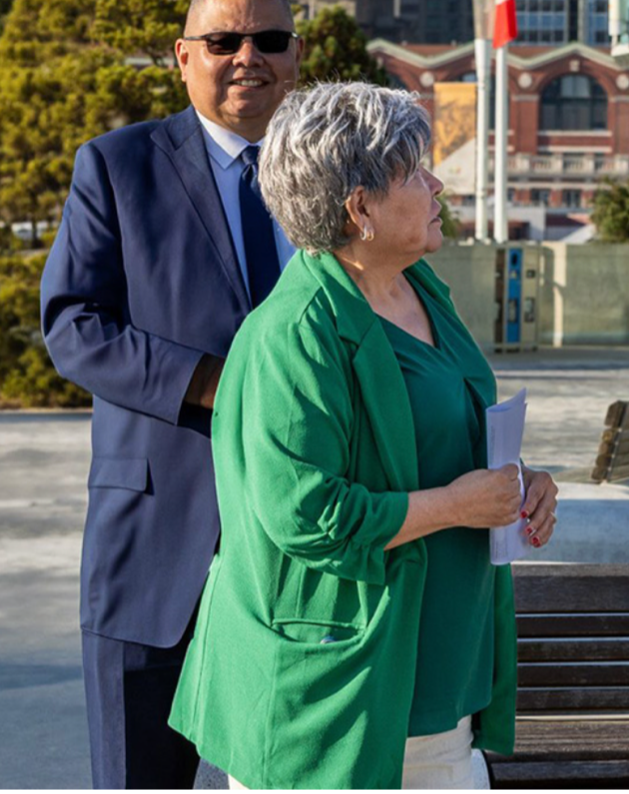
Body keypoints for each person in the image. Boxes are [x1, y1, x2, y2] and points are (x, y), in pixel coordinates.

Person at [167, 81, 559, 790]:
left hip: (439, 680)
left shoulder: (421, 290)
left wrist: (519, 482)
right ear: (360, 209)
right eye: (414, 171)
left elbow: (439, 434)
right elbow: (308, 516)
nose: (437, 184)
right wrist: (458, 505)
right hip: (336, 696)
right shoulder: (293, 334)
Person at [40, 0, 304, 789]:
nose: (246, 58)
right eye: (223, 40)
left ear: (297, 58)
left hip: (308, 552)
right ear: (181, 57)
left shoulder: (336, 178)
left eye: (269, 39)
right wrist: (213, 383)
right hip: (157, 545)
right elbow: (72, 325)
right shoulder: (118, 167)